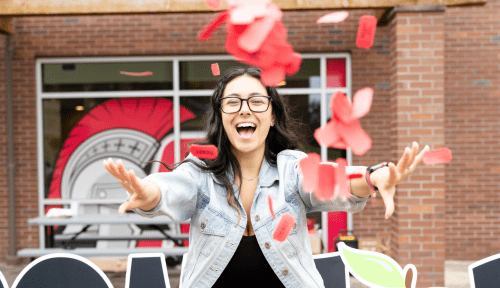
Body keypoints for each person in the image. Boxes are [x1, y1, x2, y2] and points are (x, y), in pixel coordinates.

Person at [103, 66, 429, 288]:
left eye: (257, 101)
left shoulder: (292, 168)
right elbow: (172, 188)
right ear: (220, 116)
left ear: (272, 115)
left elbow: (332, 182)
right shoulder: (200, 170)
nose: (245, 109)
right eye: (233, 102)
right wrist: (148, 193)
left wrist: (372, 178)